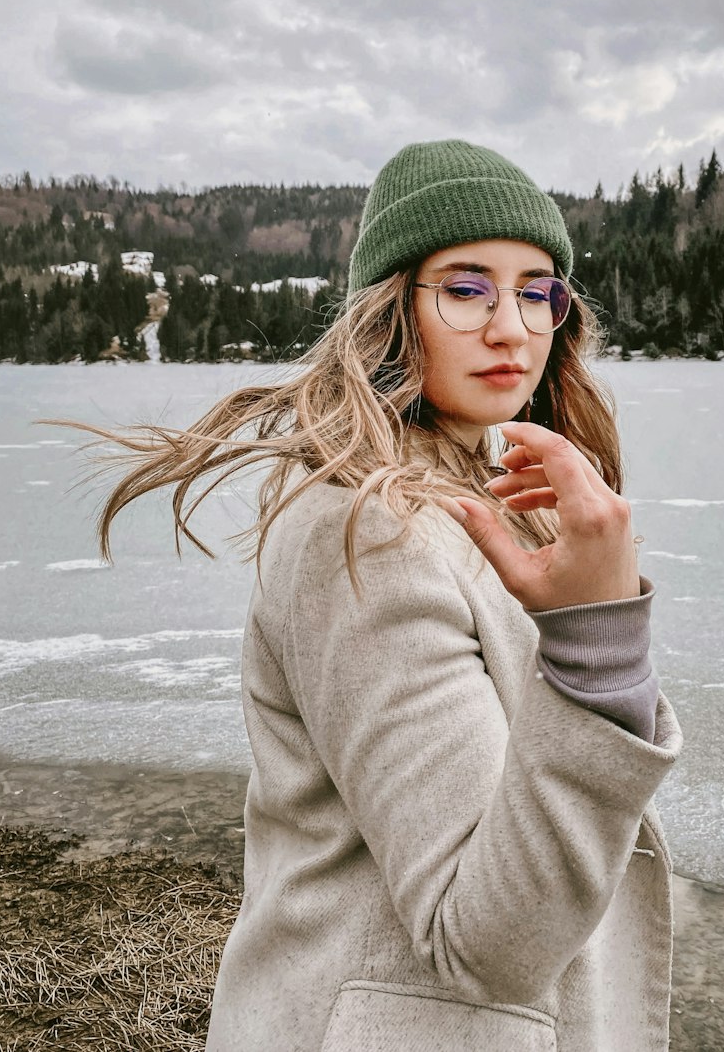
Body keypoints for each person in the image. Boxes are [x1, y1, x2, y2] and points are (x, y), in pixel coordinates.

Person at [90, 139, 682, 1051]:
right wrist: (597, 646)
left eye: (536, 290)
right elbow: (485, 941)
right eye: (466, 286)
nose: (512, 327)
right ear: (389, 311)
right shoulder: (365, 530)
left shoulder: (483, 489)